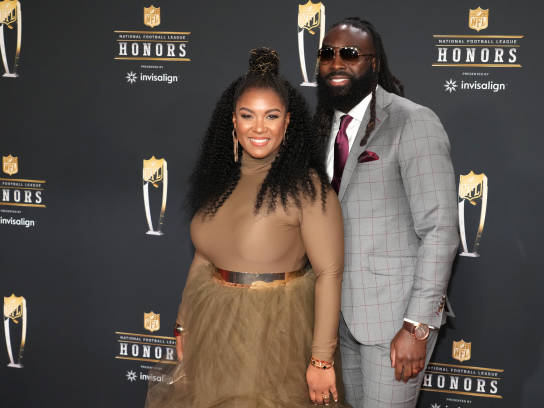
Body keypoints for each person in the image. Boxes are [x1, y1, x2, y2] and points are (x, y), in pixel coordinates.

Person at [145, 47, 345, 407]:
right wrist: (183, 323)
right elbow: (204, 259)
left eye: (271, 116)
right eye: (247, 115)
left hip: (275, 338)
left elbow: (330, 273)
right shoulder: (218, 182)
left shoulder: (308, 187)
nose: (258, 127)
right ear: (232, 122)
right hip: (213, 334)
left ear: (288, 122)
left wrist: (321, 359)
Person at [313, 18, 460, 407]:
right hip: (336, 317)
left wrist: (416, 326)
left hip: (394, 320)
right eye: (327, 54)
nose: (336, 62)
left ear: (375, 63)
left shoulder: (413, 122)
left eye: (350, 54)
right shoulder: (323, 126)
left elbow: (441, 230)